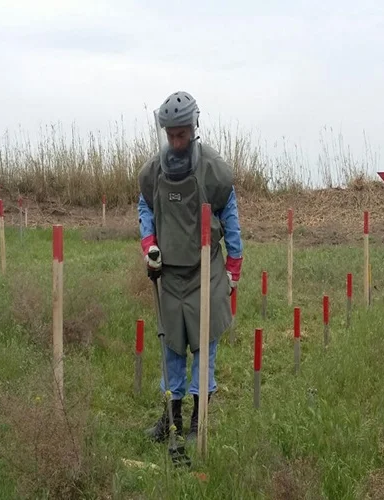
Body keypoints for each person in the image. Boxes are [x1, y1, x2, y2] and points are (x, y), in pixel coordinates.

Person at [137, 90, 244, 443]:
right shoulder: (153, 172)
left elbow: (230, 217)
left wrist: (234, 265)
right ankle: (172, 419)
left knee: (203, 349)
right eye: (170, 134)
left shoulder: (214, 170)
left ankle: (200, 420)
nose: (175, 141)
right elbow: (145, 209)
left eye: (181, 134)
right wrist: (149, 244)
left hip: (205, 273)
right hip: (169, 275)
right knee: (171, 348)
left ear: (193, 129)